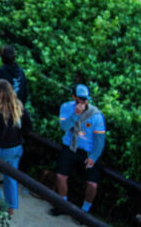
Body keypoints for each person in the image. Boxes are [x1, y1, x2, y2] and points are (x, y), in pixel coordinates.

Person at [51, 84, 105, 216]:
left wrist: (93, 157)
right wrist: (75, 115)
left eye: (85, 99)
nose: (83, 102)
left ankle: (84, 212)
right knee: (60, 176)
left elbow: (100, 140)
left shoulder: (96, 115)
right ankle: (63, 205)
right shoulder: (66, 107)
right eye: (80, 98)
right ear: (73, 97)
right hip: (70, 146)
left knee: (92, 184)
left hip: (88, 151)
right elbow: (64, 127)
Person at [0, 78, 31, 217]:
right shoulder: (18, 105)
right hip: (16, 147)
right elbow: (28, 126)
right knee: (11, 176)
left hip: (1, 147)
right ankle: (11, 206)